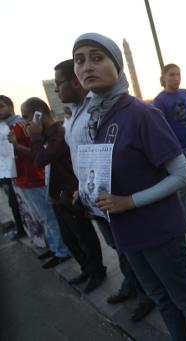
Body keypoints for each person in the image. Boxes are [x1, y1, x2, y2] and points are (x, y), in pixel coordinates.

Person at [72, 33, 186, 340]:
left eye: (97, 57)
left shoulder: (142, 113)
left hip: (158, 230)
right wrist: (87, 188)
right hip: (126, 233)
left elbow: (182, 176)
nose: (86, 66)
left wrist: (129, 202)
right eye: (79, 60)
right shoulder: (94, 117)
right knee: (161, 299)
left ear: (117, 65)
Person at [54, 59, 154, 321]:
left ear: (75, 82)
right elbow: (81, 157)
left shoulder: (97, 110)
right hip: (91, 194)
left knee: (129, 245)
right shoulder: (74, 114)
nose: (56, 90)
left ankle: (147, 294)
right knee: (117, 245)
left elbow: (109, 156)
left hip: (111, 194)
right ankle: (132, 285)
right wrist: (82, 191)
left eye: (58, 84)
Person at [21, 97, 107, 293]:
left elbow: (39, 160)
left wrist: (34, 137)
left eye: (28, 117)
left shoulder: (59, 134)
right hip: (57, 195)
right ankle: (87, 269)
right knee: (70, 238)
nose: (27, 123)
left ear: (38, 114)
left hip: (70, 194)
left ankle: (96, 271)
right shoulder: (47, 136)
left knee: (84, 236)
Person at [2, 95, 71, 268]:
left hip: (35, 179)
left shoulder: (23, 126)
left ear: (11, 106)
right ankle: (54, 247)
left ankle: (62, 250)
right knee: (42, 217)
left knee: (49, 217)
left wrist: (17, 145)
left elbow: (37, 155)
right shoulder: (7, 128)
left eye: (1, 106)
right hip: (22, 179)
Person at [154, 63, 186, 230]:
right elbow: (161, 128)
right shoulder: (159, 101)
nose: (176, 78)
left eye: (178, 74)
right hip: (178, 149)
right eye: (172, 74)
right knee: (185, 188)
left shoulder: (185, 94)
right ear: (164, 77)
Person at [0, 95, 25, 240]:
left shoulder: (19, 123)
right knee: (13, 203)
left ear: (10, 106)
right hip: (8, 172)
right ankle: (22, 229)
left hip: (24, 172)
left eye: (1, 106)